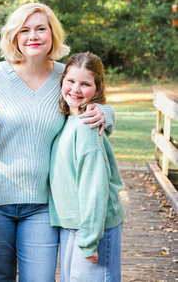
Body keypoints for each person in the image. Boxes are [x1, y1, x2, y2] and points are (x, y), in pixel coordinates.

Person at [0, 2, 116, 282]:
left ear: (53, 34)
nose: (33, 36)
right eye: (25, 30)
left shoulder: (64, 78)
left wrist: (107, 113)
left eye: (41, 28)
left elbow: (90, 101)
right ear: (14, 36)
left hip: (41, 205)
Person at [49, 52, 126, 282]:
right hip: (75, 224)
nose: (76, 89)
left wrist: (90, 238)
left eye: (85, 84)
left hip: (94, 226)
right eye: (71, 81)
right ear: (62, 81)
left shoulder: (86, 126)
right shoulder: (67, 120)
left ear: (98, 89)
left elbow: (94, 186)